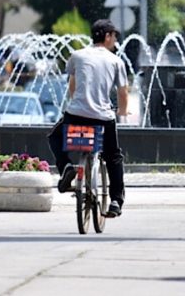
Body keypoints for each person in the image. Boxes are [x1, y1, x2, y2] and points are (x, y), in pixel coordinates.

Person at [48, 19, 129, 218]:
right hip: (103, 118)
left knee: (54, 137)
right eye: (114, 36)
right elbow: (123, 93)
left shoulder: (77, 56)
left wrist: (79, 102)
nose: (115, 40)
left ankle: (66, 167)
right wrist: (122, 111)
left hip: (76, 115)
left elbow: (72, 86)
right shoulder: (115, 61)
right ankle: (116, 201)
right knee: (113, 157)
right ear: (107, 36)